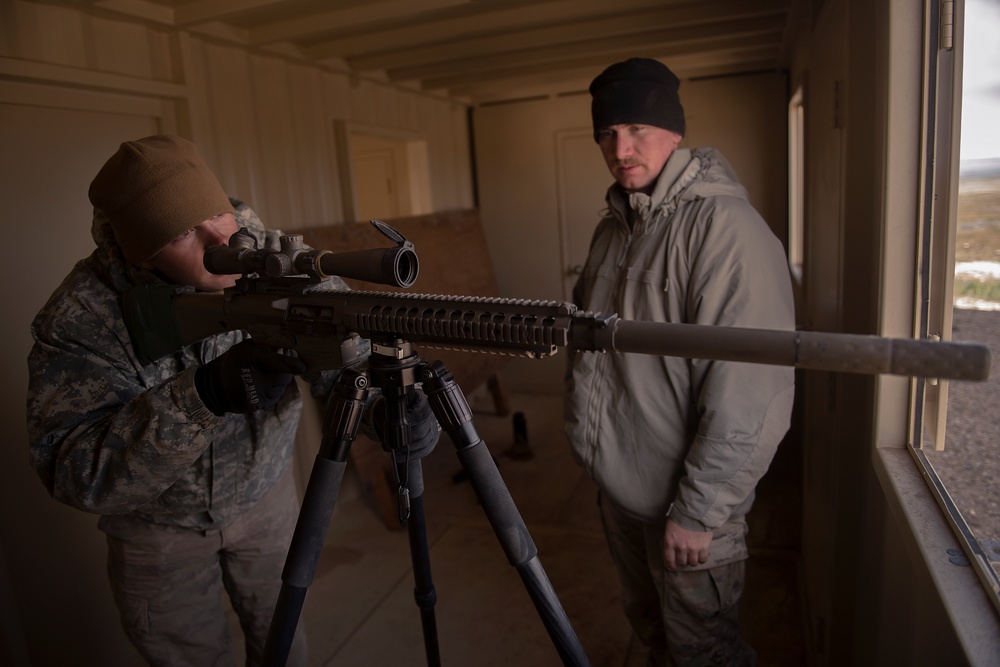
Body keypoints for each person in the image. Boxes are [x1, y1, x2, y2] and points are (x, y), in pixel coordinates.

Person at [25, 135, 438, 666]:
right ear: (142, 253)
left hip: (264, 500)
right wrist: (203, 395)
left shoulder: (275, 256)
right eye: (181, 233)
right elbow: (72, 470)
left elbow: (343, 357)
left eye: (217, 213)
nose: (219, 239)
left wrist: (383, 410)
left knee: (283, 647)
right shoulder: (82, 318)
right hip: (157, 532)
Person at [564, 58, 796, 666]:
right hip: (621, 489)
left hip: (688, 505)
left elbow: (753, 394)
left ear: (674, 132)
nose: (622, 148)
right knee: (651, 630)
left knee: (704, 652)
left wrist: (699, 512)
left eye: (637, 128)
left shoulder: (726, 230)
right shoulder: (614, 226)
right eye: (607, 134)